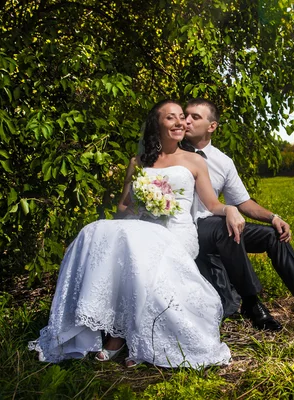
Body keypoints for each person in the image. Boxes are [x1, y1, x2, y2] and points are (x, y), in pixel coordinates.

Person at [29, 100, 244, 368]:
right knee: (95, 232)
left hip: (176, 233)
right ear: (157, 125)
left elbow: (212, 204)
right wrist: (143, 201)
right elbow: (122, 208)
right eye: (171, 118)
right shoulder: (139, 161)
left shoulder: (195, 161)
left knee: (138, 251)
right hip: (142, 228)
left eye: (181, 117)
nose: (180, 122)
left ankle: (128, 338)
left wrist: (231, 209)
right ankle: (109, 328)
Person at [184, 98, 294, 330]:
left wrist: (273, 217)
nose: (186, 120)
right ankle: (251, 302)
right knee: (226, 227)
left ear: (212, 126)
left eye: (195, 117)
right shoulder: (172, 155)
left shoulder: (223, 161)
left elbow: (243, 201)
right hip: (191, 228)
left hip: (218, 225)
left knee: (272, 236)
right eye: (185, 115)